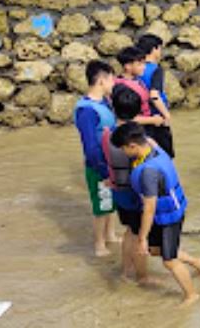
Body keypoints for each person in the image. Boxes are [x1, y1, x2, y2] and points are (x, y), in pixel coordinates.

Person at [111, 122, 200, 307]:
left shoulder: (148, 172)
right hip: (167, 212)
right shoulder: (152, 146)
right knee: (156, 250)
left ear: (133, 146)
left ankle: (191, 295)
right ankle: (196, 262)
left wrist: (142, 237)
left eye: (124, 149)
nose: (123, 153)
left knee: (169, 261)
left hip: (168, 218)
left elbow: (149, 207)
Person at [103, 84, 164, 281]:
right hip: (134, 194)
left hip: (118, 191)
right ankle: (142, 276)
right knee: (140, 235)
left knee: (129, 230)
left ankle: (125, 272)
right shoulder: (137, 141)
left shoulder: (106, 135)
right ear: (138, 111)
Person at [72, 60, 119, 257]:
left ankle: (111, 235)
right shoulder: (86, 111)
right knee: (101, 206)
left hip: (111, 162)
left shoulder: (105, 102)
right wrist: (103, 171)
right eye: (111, 79)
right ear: (101, 80)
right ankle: (99, 244)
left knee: (111, 203)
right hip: (98, 165)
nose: (114, 83)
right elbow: (90, 147)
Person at [135, 34, 175, 157]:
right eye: (160, 48)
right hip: (156, 117)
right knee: (164, 155)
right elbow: (154, 95)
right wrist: (166, 115)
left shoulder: (136, 68)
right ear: (154, 49)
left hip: (141, 116)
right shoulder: (156, 69)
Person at [115, 46, 155, 120]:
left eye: (144, 63)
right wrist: (153, 120)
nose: (144, 67)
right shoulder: (121, 87)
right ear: (128, 66)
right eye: (140, 64)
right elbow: (125, 117)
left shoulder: (137, 80)